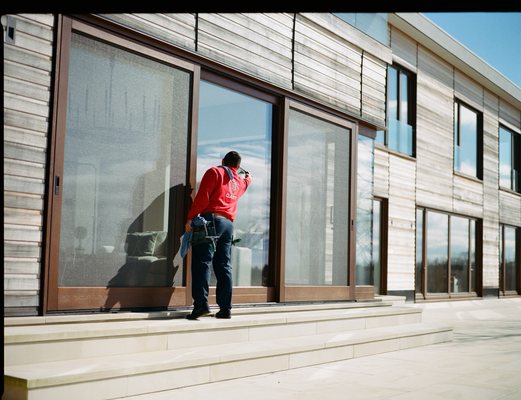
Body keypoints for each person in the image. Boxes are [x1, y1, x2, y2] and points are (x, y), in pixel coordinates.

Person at [185, 151, 252, 320]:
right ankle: (225, 309)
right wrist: (246, 176)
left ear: (223, 161)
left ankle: (201, 305)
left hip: (211, 221)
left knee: (202, 262)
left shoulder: (215, 172)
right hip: (228, 226)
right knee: (223, 266)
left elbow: (203, 197)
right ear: (237, 167)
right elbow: (247, 181)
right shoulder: (239, 181)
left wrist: (190, 218)